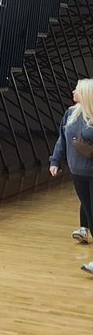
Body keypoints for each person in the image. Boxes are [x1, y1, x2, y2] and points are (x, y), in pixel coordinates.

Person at [49, 79, 93, 274]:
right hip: (77, 172)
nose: (73, 91)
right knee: (89, 214)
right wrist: (55, 161)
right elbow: (62, 139)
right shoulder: (70, 113)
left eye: (77, 89)